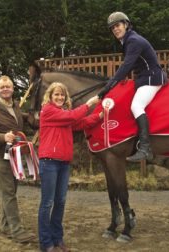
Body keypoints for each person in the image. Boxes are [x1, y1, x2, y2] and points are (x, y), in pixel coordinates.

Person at [38, 82, 102, 252]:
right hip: (49, 162)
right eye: (56, 95)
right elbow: (74, 117)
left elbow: (80, 123)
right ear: (50, 97)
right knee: (47, 203)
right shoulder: (48, 111)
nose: (60, 98)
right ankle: (46, 242)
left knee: (60, 201)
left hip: (64, 163)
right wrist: (89, 103)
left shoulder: (64, 114)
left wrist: (100, 115)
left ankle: (57, 238)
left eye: (62, 95)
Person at [97, 11, 168, 162]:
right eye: (112, 28)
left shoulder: (133, 41)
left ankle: (145, 148)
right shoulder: (128, 40)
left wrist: (107, 88)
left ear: (126, 25)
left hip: (152, 78)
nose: (115, 29)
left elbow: (125, 67)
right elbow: (135, 64)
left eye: (117, 25)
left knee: (136, 106)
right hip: (143, 78)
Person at [0, 75, 36, 243]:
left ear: (12, 89)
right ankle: (17, 230)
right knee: (9, 192)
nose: (5, 89)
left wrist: (32, 117)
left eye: (8, 86)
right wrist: (3, 137)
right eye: (2, 87)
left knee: (10, 190)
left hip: (13, 153)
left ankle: (5, 226)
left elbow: (20, 116)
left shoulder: (15, 105)